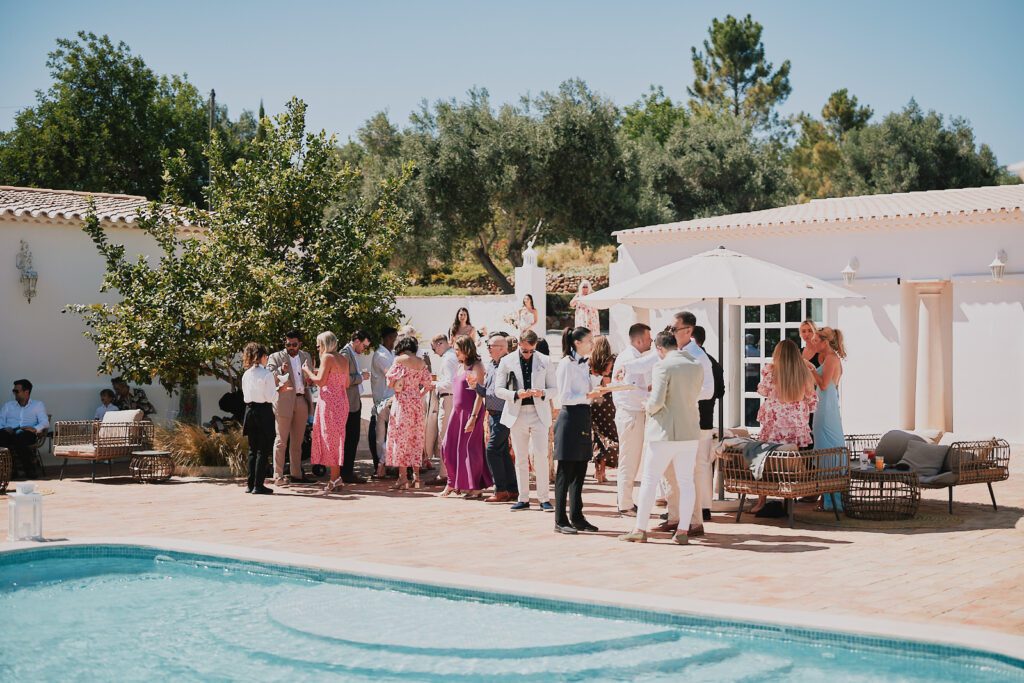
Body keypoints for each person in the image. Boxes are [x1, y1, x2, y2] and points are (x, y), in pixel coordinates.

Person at [619, 331, 703, 544]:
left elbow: (656, 401)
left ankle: (640, 528)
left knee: (649, 480)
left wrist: (646, 405)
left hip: (664, 432)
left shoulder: (662, 366)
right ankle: (683, 530)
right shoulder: (696, 364)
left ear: (659, 349)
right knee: (686, 482)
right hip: (690, 431)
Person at [552, 326, 609, 534]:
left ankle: (577, 516)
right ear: (577, 342)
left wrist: (600, 381)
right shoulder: (566, 364)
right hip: (569, 418)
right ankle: (560, 520)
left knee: (580, 471)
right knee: (565, 472)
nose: (592, 344)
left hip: (583, 417)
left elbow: (587, 389)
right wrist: (589, 396)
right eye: (589, 341)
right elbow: (565, 397)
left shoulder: (584, 364)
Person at [752, 339, 819, 513]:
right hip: (795, 425)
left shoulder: (773, 371)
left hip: (774, 423)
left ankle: (761, 501)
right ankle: (787, 500)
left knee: (765, 461)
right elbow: (812, 401)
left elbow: (762, 391)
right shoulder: (804, 372)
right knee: (789, 463)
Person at [496, 329, 558, 511]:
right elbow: (498, 389)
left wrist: (543, 393)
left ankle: (544, 498)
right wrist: (515, 394)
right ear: (519, 345)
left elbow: (554, 388)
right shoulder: (507, 361)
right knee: (521, 457)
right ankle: (523, 498)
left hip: (539, 412)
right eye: (524, 350)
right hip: (517, 412)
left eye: (531, 350)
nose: (528, 354)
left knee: (540, 454)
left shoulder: (545, 361)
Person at [670, 312, 715, 527]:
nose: (670, 332)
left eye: (674, 329)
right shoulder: (673, 353)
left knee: (692, 470)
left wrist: (683, 395)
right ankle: (676, 516)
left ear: (688, 331)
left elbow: (709, 390)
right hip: (674, 419)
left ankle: (695, 521)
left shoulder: (698, 356)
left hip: (690, 419)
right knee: (673, 469)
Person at [441, 335, 491, 498]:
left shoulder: (477, 366)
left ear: (466, 349)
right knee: (448, 446)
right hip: (457, 412)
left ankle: (474, 487)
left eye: (457, 349)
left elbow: (479, 394)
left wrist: (474, 417)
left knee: (470, 449)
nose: (455, 352)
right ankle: (453, 482)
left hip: (471, 411)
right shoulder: (459, 366)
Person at [611, 323, 652, 516]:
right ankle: (625, 503)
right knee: (629, 458)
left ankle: (624, 499)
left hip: (631, 412)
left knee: (632, 459)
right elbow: (631, 390)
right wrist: (651, 396)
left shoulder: (630, 357)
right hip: (631, 413)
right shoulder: (630, 359)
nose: (651, 341)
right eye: (648, 338)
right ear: (639, 340)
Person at [303, 331, 350, 493]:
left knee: (329, 438)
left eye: (319, 344)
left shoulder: (327, 357)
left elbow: (320, 381)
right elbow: (347, 383)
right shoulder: (343, 359)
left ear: (324, 344)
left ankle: (334, 478)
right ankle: (336, 478)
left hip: (329, 402)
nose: (317, 347)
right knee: (337, 439)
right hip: (342, 401)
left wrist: (308, 371)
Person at [384, 335, 433, 490]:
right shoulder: (421, 363)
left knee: (401, 439)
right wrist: (417, 395)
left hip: (402, 403)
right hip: (416, 403)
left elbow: (390, 382)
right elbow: (428, 384)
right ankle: (416, 477)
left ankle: (403, 477)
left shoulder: (399, 360)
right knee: (416, 438)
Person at [266, 330, 314, 484]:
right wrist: (281, 370)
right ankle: (278, 475)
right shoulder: (276, 357)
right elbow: (268, 375)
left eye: (294, 344)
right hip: (284, 401)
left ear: (300, 343)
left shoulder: (306, 356)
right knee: (281, 440)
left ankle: (296, 474)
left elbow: (309, 378)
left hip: (301, 400)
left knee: (298, 441)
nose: (291, 347)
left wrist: (311, 379)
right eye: (288, 344)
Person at [476, 333, 518, 502]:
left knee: (492, 450)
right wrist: (477, 388)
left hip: (504, 413)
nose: (488, 348)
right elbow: (489, 392)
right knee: (502, 452)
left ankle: (500, 489)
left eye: (491, 346)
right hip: (493, 414)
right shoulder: (491, 365)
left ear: (502, 349)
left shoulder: (509, 366)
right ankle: (512, 489)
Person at [810, 327, 847, 511]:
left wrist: (810, 370)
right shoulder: (824, 358)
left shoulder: (832, 358)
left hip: (827, 406)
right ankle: (826, 498)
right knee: (823, 447)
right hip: (822, 405)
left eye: (816, 340)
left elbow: (824, 384)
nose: (813, 343)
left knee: (829, 448)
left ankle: (834, 500)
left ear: (825, 342)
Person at [692, 326, 725, 514]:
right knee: (703, 463)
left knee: (690, 464)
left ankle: (695, 507)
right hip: (707, 417)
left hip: (693, 419)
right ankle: (704, 506)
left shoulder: (692, 360)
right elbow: (720, 392)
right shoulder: (714, 362)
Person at [240, 344, 279, 495]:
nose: (267, 358)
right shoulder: (266, 374)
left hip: (249, 410)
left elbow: (245, 395)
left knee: (252, 449)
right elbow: (270, 397)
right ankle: (258, 485)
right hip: (263, 411)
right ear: (261, 356)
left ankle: (250, 484)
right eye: (266, 356)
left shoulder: (246, 374)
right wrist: (278, 388)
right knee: (263, 449)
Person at [339, 330, 372, 484]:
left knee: (353, 438)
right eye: (364, 346)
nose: (364, 349)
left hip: (354, 402)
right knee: (350, 439)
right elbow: (345, 380)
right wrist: (361, 378)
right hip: (348, 403)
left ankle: (347, 471)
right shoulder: (345, 354)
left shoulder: (352, 354)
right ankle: (345, 473)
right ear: (357, 341)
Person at [0, 379, 48, 480]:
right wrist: (4, 428)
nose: (14, 393)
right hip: (9, 432)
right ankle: (12, 470)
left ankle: (24, 469)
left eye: (16, 391)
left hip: (27, 433)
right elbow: (0, 421)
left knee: (20, 436)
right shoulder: (8, 406)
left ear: (26, 392)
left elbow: (45, 422)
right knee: (3, 436)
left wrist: (35, 429)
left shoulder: (37, 405)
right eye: (13, 391)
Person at [588, 335, 619, 484]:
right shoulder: (612, 361)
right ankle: (603, 471)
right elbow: (609, 383)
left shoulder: (590, 362)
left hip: (593, 400)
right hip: (608, 401)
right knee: (608, 434)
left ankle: (597, 471)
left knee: (597, 435)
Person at [429, 334, 459, 481]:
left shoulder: (448, 359)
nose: (435, 353)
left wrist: (434, 384)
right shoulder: (452, 356)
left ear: (440, 343)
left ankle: (445, 474)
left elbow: (451, 383)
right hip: (450, 398)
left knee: (444, 436)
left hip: (448, 398)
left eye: (434, 349)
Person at [369, 327, 398, 478]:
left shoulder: (391, 353)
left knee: (389, 435)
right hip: (383, 400)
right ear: (387, 338)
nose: (395, 342)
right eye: (393, 338)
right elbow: (391, 374)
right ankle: (381, 466)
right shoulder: (381, 355)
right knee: (381, 436)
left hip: (391, 400)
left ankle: (387, 464)